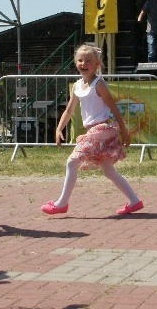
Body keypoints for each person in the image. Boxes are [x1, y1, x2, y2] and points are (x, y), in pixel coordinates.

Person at [40, 44, 143, 216]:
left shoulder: (99, 84)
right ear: (75, 63)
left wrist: (124, 130)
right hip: (92, 131)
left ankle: (61, 203)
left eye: (88, 60)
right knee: (108, 169)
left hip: (101, 129)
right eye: (80, 60)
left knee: (72, 161)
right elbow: (69, 110)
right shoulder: (77, 86)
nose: (83, 63)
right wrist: (59, 129)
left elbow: (113, 108)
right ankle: (134, 201)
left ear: (96, 64)